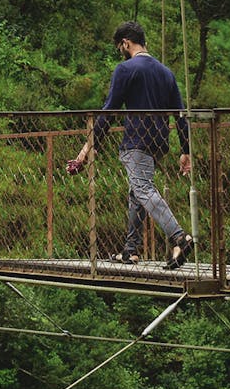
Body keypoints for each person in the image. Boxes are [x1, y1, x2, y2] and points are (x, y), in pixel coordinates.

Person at [67, 21, 194, 270]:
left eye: (120, 47)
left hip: (136, 141)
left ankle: (179, 236)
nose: (120, 52)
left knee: (143, 188)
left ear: (126, 43)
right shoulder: (166, 72)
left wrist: (87, 148)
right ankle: (130, 250)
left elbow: (108, 112)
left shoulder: (125, 69)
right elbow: (181, 114)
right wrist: (185, 150)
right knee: (137, 193)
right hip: (159, 141)